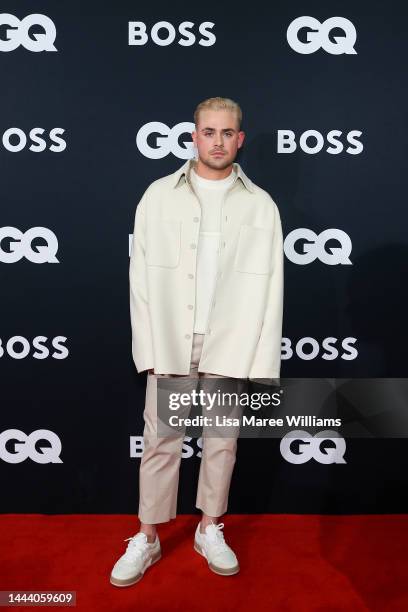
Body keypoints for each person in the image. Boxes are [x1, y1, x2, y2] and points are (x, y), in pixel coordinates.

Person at [110, 97, 284, 586]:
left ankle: (210, 527)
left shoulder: (260, 205)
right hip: (171, 339)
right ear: (194, 137)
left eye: (227, 133)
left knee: (222, 442)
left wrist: (260, 358)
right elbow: (139, 279)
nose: (218, 142)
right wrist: (147, 347)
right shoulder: (159, 196)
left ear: (240, 139)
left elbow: (272, 288)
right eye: (209, 132)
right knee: (161, 440)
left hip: (229, 340)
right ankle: (147, 536)